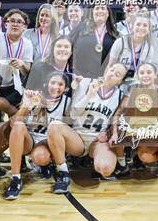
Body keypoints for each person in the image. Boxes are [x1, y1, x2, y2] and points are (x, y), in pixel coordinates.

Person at [45, 63, 127, 193]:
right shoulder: (86, 83)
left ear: (120, 81)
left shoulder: (120, 96)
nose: (112, 74)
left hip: (97, 141)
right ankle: (63, 173)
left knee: (106, 169)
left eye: (117, 74)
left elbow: (118, 120)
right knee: (54, 126)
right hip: (77, 138)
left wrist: (108, 132)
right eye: (111, 69)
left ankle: (94, 163)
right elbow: (73, 114)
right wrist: (89, 94)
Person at [3, 72, 71, 200]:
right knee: (18, 125)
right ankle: (16, 178)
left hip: (48, 142)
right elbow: (13, 123)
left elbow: (69, 129)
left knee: (40, 157)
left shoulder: (67, 102)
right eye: (53, 83)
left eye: (60, 84)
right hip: (30, 140)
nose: (56, 86)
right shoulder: (33, 97)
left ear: (66, 88)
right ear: (46, 84)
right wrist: (26, 106)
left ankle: (48, 164)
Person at [115, 62, 158, 176]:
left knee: (145, 156)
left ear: (155, 75)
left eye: (149, 72)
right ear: (137, 76)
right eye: (142, 73)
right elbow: (120, 112)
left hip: (155, 131)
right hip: (137, 129)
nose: (145, 75)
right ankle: (123, 165)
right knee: (117, 128)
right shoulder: (131, 92)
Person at [0, 9, 33, 106]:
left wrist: (22, 64)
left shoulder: (27, 43)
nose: (15, 24)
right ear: (6, 24)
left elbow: (26, 71)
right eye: (12, 21)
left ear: (25, 27)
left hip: (11, 86)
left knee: (13, 116)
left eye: (19, 22)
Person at [70, 4, 118, 78]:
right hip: (81, 78)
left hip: (105, 79)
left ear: (108, 13)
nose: (100, 11)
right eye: (97, 8)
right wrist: (75, 72)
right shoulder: (80, 29)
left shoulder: (115, 34)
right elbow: (69, 48)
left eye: (102, 8)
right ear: (92, 12)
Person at [106, 12, 153, 78]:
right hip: (117, 80)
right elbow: (110, 65)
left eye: (145, 25)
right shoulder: (120, 42)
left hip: (136, 83)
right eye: (138, 24)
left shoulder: (149, 48)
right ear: (132, 26)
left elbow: (145, 71)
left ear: (149, 29)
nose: (141, 28)